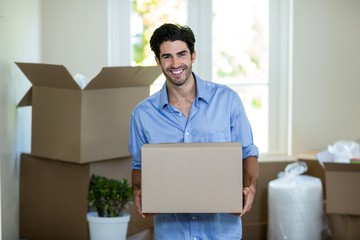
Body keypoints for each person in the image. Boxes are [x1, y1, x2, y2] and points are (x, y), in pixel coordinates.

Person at [128, 23, 259, 240]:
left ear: (193, 56)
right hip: (172, 233)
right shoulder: (142, 114)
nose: (175, 63)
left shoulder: (227, 101)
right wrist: (138, 191)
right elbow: (139, 165)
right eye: (167, 56)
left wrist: (250, 187)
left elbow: (247, 152)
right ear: (157, 61)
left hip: (221, 232)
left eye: (181, 54)